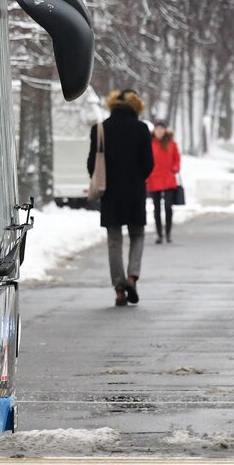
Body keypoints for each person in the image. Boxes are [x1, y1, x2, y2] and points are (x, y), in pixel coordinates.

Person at [87, 89, 154, 306]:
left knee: (114, 241)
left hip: (110, 193)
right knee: (138, 235)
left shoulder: (100, 129)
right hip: (134, 192)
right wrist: (136, 177)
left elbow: (91, 164)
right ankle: (132, 277)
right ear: (137, 106)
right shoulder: (142, 129)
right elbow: (148, 165)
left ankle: (119, 289)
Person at [146, 118, 181, 244]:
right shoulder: (149, 143)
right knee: (156, 208)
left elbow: (177, 159)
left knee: (168, 207)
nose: (159, 131)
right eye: (157, 129)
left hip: (168, 179)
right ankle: (159, 234)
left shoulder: (171, 143)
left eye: (162, 129)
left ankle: (168, 233)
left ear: (165, 130)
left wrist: (175, 168)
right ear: (154, 130)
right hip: (154, 179)